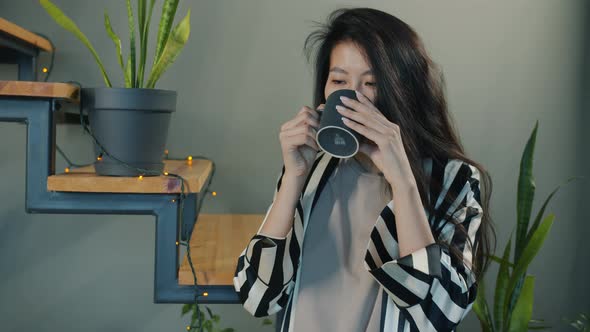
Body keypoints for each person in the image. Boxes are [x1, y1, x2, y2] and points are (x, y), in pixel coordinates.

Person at [233, 7, 495, 332]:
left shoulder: (454, 179)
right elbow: (258, 297)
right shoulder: (313, 170)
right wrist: (292, 181)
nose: (353, 97)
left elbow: (438, 315)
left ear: (405, 90)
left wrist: (403, 181)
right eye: (339, 80)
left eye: (372, 83)